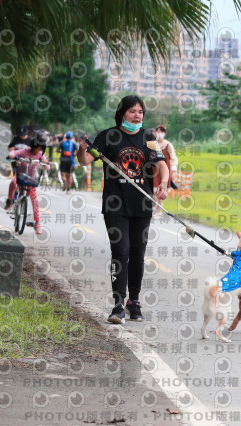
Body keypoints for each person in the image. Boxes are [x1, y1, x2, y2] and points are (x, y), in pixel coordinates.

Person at [77, 95, 169, 324]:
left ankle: (134, 301)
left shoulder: (148, 137)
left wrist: (164, 183)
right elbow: (85, 160)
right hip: (115, 205)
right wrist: (81, 149)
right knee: (121, 252)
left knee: (138, 255)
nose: (137, 116)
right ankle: (118, 305)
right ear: (122, 113)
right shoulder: (108, 136)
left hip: (142, 204)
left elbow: (161, 164)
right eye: (132, 111)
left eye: (140, 112)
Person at [6, 130, 51, 235]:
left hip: (31, 178)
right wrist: (13, 155)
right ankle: (10, 200)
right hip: (21, 175)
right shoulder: (25, 151)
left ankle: (37, 223)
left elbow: (47, 166)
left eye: (40, 148)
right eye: (36, 148)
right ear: (32, 146)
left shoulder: (40, 155)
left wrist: (45, 164)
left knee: (35, 200)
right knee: (13, 183)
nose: (37, 150)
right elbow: (13, 153)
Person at [152, 124, 178, 215]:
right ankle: (154, 207)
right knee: (153, 190)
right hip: (153, 170)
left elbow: (173, 158)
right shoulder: (152, 144)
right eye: (158, 131)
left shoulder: (168, 145)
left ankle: (158, 209)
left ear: (164, 133)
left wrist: (173, 170)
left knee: (161, 190)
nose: (159, 133)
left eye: (161, 132)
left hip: (164, 170)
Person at [4, 125, 30, 210]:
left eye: (23, 134)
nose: (21, 136)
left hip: (27, 165)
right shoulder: (15, 139)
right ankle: (10, 200)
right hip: (16, 163)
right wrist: (13, 152)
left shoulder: (30, 141)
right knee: (15, 182)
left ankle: (23, 196)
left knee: (26, 184)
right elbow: (10, 148)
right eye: (20, 134)